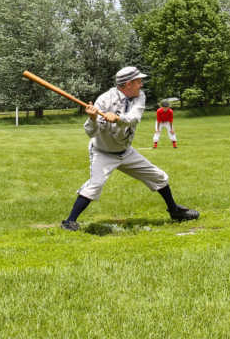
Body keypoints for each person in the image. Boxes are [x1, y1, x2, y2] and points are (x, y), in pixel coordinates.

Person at [60, 66, 199, 232]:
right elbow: (91, 132)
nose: (141, 84)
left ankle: (175, 211)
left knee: (159, 176)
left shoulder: (140, 96)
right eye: (138, 81)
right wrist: (93, 118)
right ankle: (69, 221)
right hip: (103, 152)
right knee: (95, 185)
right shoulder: (104, 100)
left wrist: (118, 118)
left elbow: (134, 117)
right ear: (128, 84)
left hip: (126, 151)